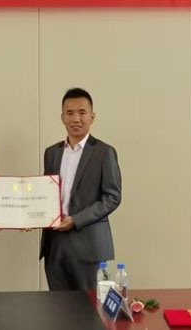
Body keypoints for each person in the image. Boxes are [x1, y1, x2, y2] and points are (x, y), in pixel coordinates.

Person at [40, 87, 122, 291]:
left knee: (90, 306)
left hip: (88, 245)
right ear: (62, 118)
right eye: (70, 113)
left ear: (92, 117)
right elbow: (45, 194)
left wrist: (76, 220)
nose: (76, 119)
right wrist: (30, 216)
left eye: (82, 113)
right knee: (58, 306)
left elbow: (112, 197)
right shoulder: (51, 153)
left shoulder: (104, 152)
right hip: (55, 245)